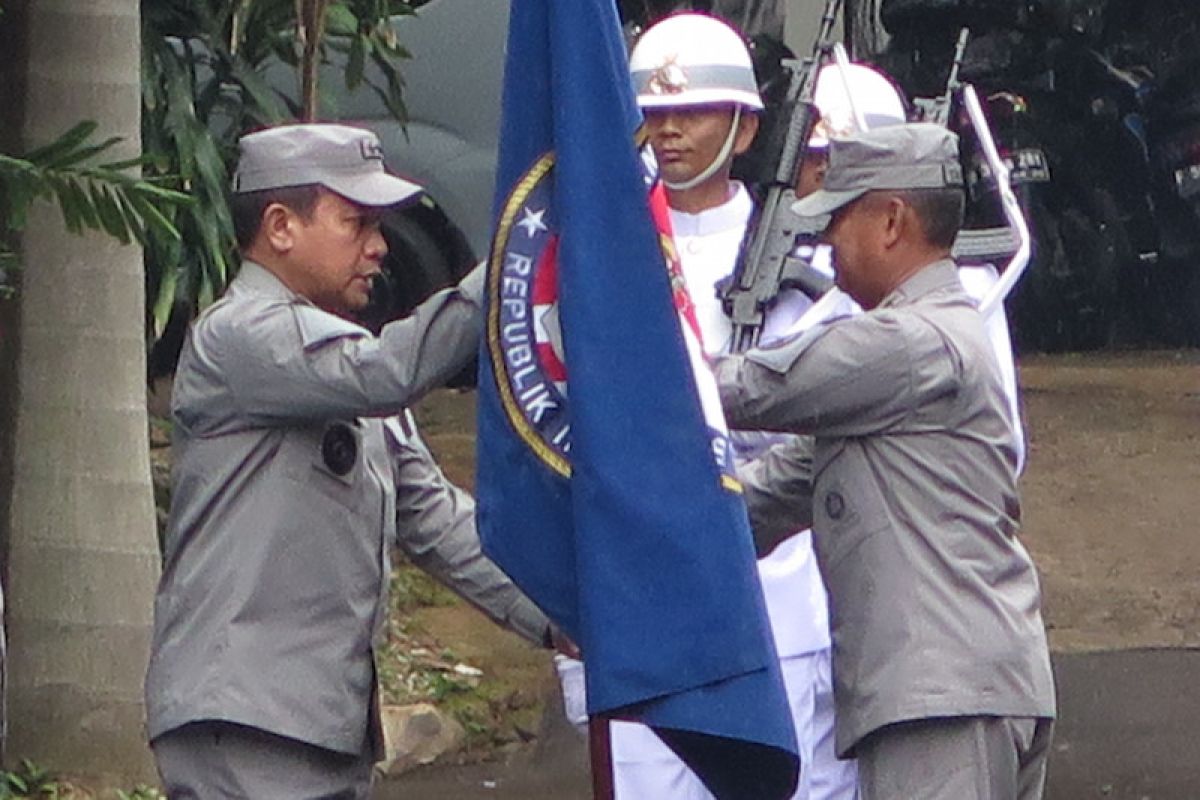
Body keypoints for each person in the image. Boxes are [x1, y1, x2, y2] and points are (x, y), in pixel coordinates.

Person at [144, 123, 551, 798]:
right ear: (280, 226)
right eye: (355, 221)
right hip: (244, 720)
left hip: (319, 726)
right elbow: (388, 372)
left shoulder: (340, 362)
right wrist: (520, 251)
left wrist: (562, 617)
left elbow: (438, 522)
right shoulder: (242, 335)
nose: (379, 247)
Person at [713, 123, 1057, 799]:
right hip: (960, 687)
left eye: (838, 218)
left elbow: (748, 388)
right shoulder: (903, 366)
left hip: (943, 699)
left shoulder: (910, 341)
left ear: (892, 220)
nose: (825, 242)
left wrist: (609, 368)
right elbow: (761, 500)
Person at [583, 13, 865, 799]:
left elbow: (825, 423)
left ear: (744, 129)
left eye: (693, 113)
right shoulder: (598, 256)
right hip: (652, 606)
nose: (669, 133)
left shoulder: (809, 266)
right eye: (653, 115)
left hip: (779, 601)